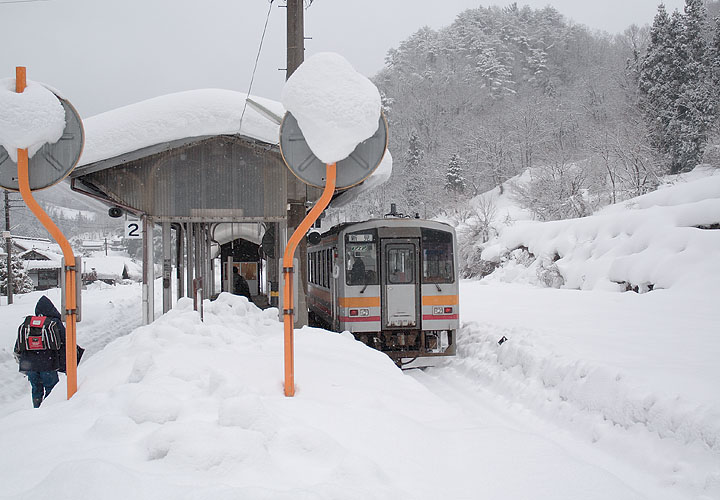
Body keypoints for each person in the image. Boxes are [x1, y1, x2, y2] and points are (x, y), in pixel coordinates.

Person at [13, 296, 66, 408]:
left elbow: (19, 344)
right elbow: (64, 342)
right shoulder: (54, 322)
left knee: (36, 389)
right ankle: (48, 411)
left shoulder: (29, 324)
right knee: (51, 389)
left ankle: (36, 409)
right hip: (48, 364)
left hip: (30, 365)